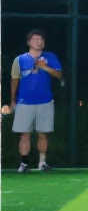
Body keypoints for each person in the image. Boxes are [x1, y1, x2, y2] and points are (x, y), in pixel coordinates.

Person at [10, 29, 64, 172]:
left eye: (41, 39)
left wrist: (44, 67)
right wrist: (13, 100)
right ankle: (24, 164)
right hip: (24, 102)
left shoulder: (50, 57)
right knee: (24, 134)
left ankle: (42, 163)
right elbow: (14, 80)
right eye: (35, 39)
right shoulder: (19, 59)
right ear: (29, 42)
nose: (39, 42)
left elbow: (59, 75)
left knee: (43, 134)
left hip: (45, 102)